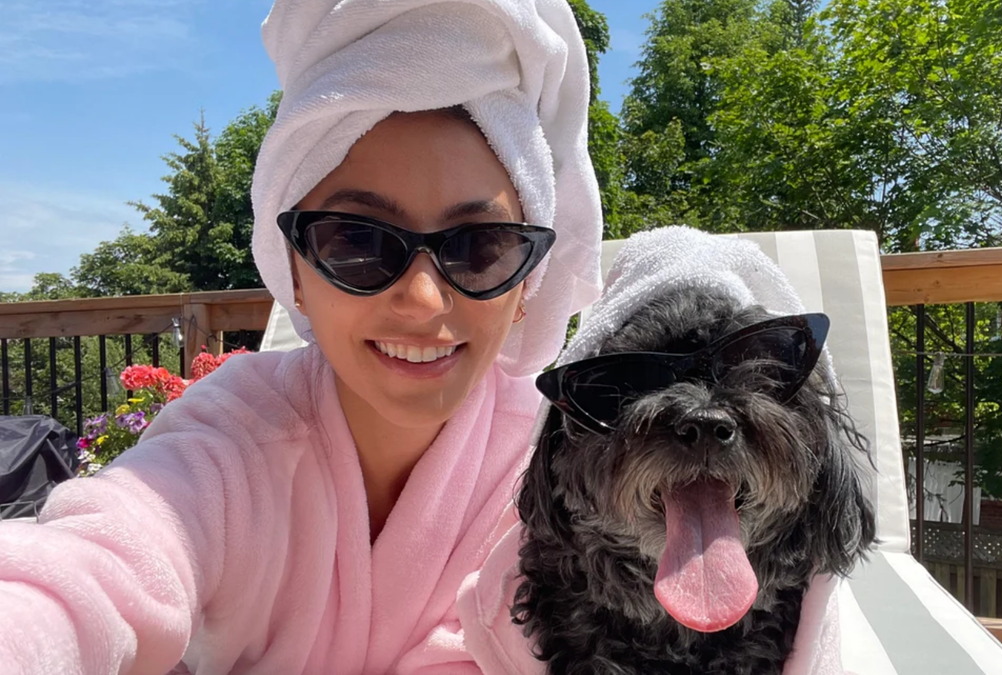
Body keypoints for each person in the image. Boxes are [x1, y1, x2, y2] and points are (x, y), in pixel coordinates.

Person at [0, 0, 602, 673]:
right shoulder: (233, 442)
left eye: (482, 246)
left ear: (527, 281)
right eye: (357, 241)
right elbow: (89, 570)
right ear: (292, 266)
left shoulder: (563, 468)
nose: (425, 297)